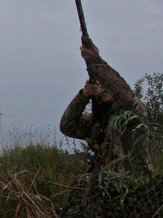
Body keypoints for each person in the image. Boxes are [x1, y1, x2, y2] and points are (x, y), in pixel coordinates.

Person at [60, 37, 152, 179]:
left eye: (106, 84)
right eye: (99, 85)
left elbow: (122, 91)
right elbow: (67, 126)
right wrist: (83, 95)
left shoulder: (132, 113)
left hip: (136, 187)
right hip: (107, 191)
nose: (104, 88)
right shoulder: (96, 123)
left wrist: (95, 60)